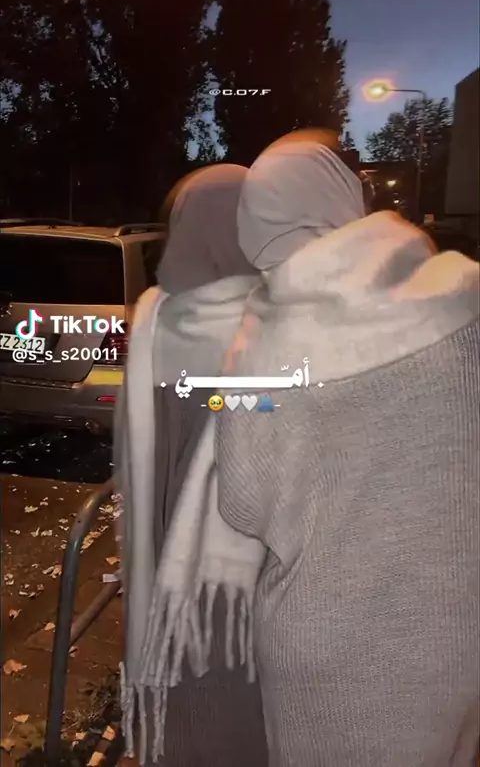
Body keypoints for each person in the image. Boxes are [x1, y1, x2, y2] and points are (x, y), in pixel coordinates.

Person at [215, 134, 480, 767]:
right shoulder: (465, 296)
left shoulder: (260, 348)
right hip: (458, 624)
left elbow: (242, 502)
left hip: (327, 639)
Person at [115, 163, 267, 766]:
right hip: (246, 562)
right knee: (239, 689)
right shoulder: (274, 324)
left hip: (163, 539)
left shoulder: (155, 316)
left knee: (182, 689)